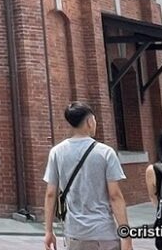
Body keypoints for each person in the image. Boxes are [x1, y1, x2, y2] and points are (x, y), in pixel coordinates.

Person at [43, 102, 131, 250]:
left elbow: (51, 194)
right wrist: (126, 237)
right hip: (104, 233)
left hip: (75, 234)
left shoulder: (57, 152)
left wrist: (48, 231)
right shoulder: (106, 153)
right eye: (94, 119)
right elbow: (115, 196)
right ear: (90, 121)